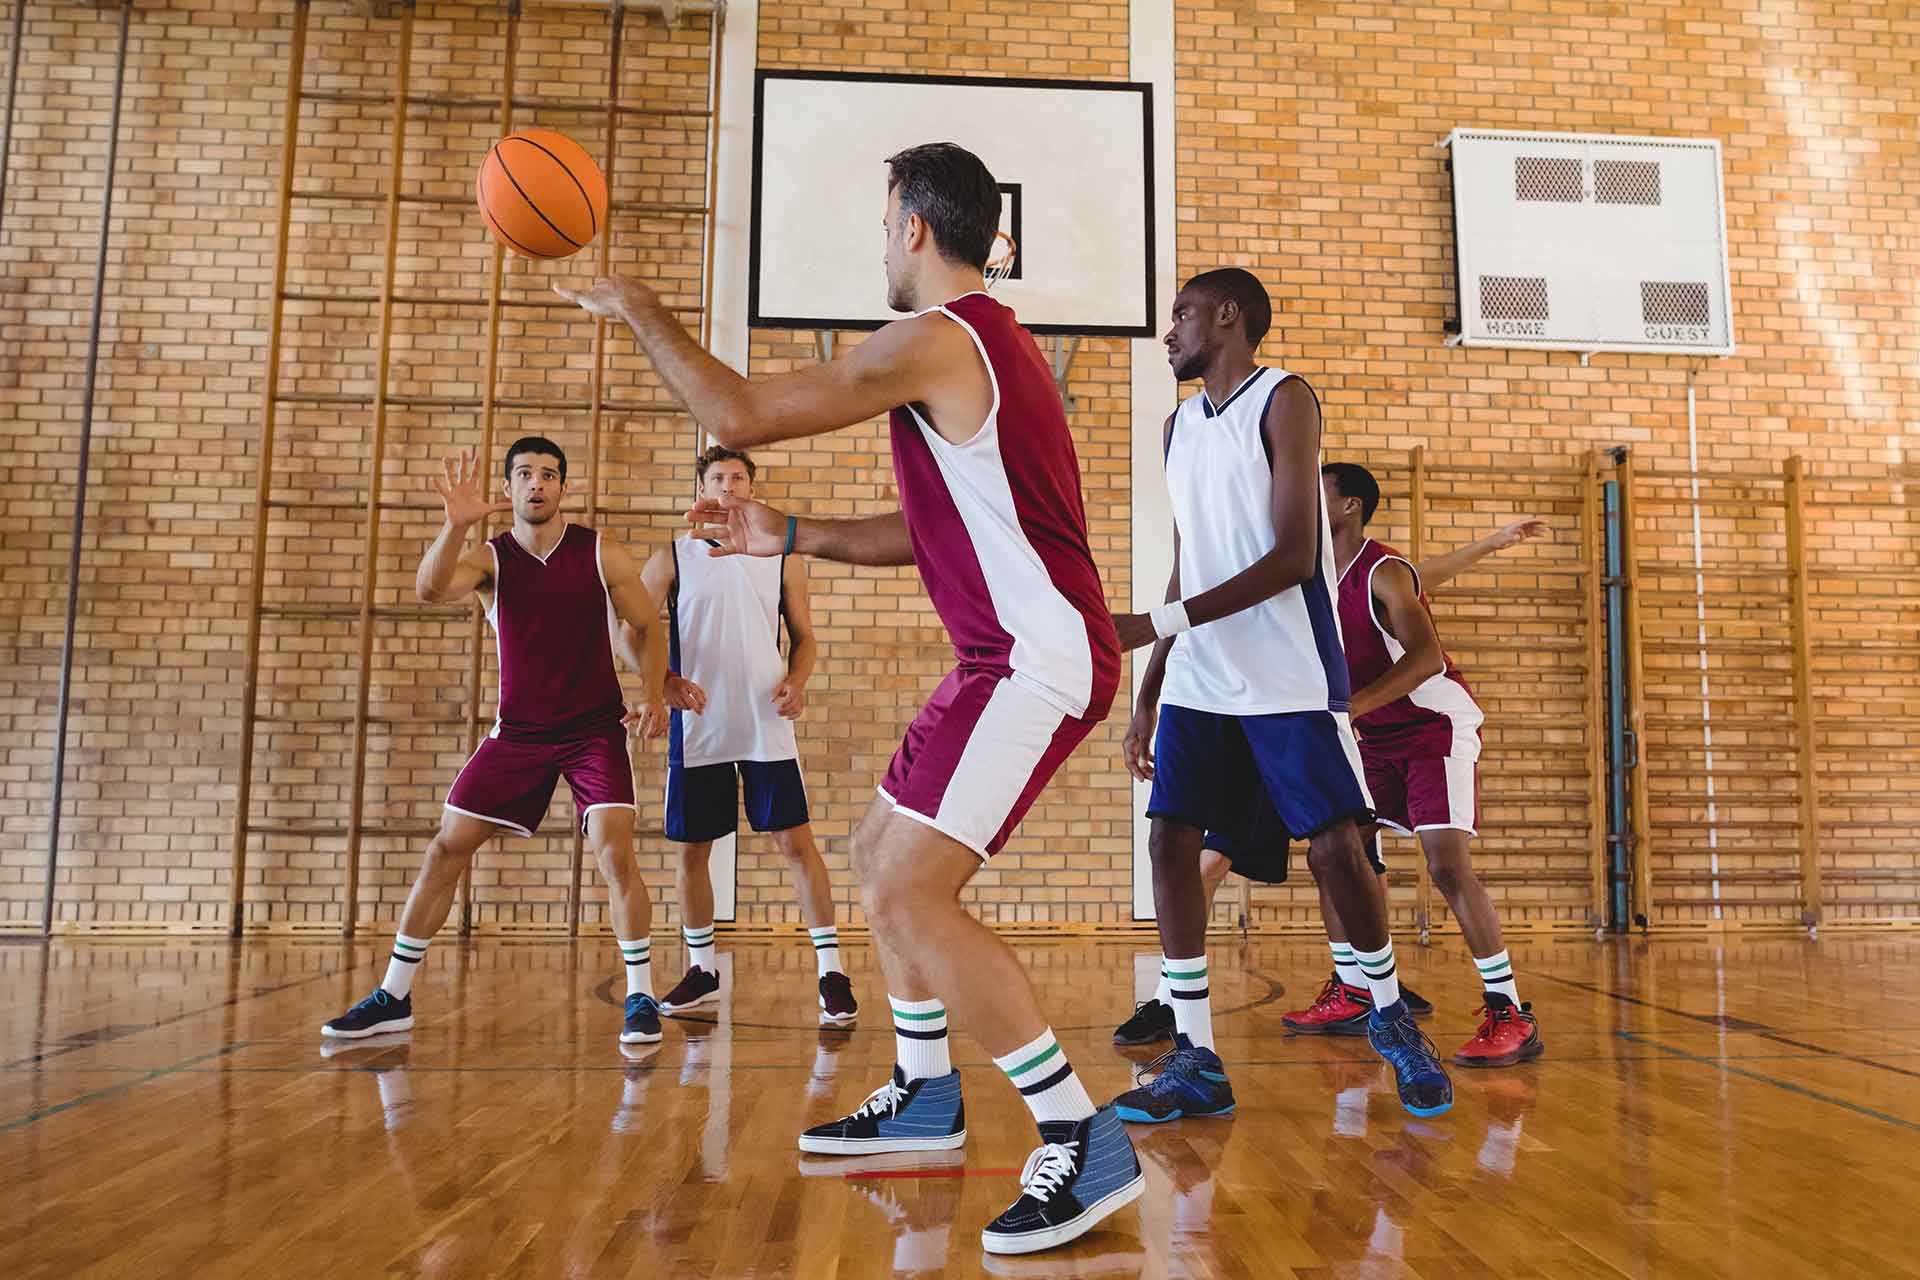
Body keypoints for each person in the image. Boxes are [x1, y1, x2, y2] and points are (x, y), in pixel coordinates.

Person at [557, 142, 1143, 1255]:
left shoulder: (940, 336)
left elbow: (735, 412)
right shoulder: (985, 349)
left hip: (1036, 658)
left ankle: (1080, 1131)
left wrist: (638, 307)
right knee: (877, 855)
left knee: (915, 891)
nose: (882, 243)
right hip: (1003, 654)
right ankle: (924, 1090)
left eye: (885, 224)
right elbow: (937, 530)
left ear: (915, 227)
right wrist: (798, 534)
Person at [1105, 268, 1453, 1125]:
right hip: (1200, 675)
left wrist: (1154, 624)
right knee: (1169, 840)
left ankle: (1388, 1013)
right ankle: (1195, 1054)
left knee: (1335, 849)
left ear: (1228, 317)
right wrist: (1150, 686)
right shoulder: (1175, 428)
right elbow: (1189, 564)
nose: (1169, 332)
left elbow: (1297, 555)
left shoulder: (1283, 399)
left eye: (1182, 315)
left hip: (1288, 670)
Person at [320, 438, 700, 1049]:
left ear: (563, 488)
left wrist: (655, 693)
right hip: (519, 734)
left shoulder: (599, 551)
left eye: (548, 475)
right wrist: (454, 526)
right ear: (508, 488)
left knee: (614, 850)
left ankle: (638, 996)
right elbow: (429, 589)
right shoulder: (491, 560)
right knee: (445, 848)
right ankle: (393, 995)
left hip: (593, 730)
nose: (536, 484)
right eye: (525, 474)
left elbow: (645, 626)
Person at [1112, 514, 1547, 1047]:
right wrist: (1148, 697)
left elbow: (1415, 584)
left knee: (1418, 861)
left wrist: (1490, 543)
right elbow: (1182, 599)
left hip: (1371, 723)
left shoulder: (1342, 562)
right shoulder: (1275, 556)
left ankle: (1496, 1006)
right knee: (1299, 854)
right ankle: (1351, 985)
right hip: (1292, 719)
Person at [1290, 462, 1544, 1066]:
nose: (1302, 497)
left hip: (1433, 728)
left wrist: (1352, 707)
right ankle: (1355, 988)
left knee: (1446, 864)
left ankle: (1510, 1012)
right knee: (1332, 854)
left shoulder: (1382, 569)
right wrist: (1489, 543)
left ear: (1349, 506)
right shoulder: (1319, 573)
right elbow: (1424, 575)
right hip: (1375, 736)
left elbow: (1427, 655)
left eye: (1317, 490)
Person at [622, 444, 857, 1025]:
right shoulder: (673, 556)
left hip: (763, 719)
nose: (728, 487)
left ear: (752, 488)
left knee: (794, 844)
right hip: (700, 722)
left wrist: (798, 682)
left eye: (737, 478)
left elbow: (805, 638)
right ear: (700, 489)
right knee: (691, 851)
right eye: (718, 478)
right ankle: (701, 969)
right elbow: (628, 630)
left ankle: (831, 972)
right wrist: (663, 683)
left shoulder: (782, 557)